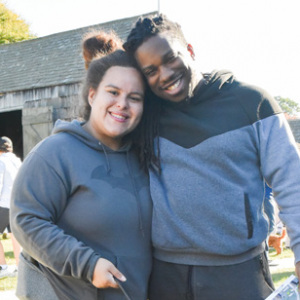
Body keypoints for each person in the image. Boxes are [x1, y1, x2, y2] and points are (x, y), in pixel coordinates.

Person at [123, 14, 300, 299]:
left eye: (171, 58)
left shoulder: (252, 102)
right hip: (165, 276)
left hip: (240, 274)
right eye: (151, 71)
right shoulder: (144, 117)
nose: (165, 74)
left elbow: (292, 183)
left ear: (190, 51)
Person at [10, 31, 152, 300]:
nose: (122, 104)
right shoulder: (56, 152)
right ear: (91, 95)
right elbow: (26, 219)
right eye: (113, 92)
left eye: (135, 97)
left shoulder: (142, 157)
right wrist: (88, 264)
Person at [0, 136, 22, 278]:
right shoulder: (18, 161)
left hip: (3, 204)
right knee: (15, 235)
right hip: (17, 204)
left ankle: (3, 265)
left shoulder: (1, 161)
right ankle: (18, 266)